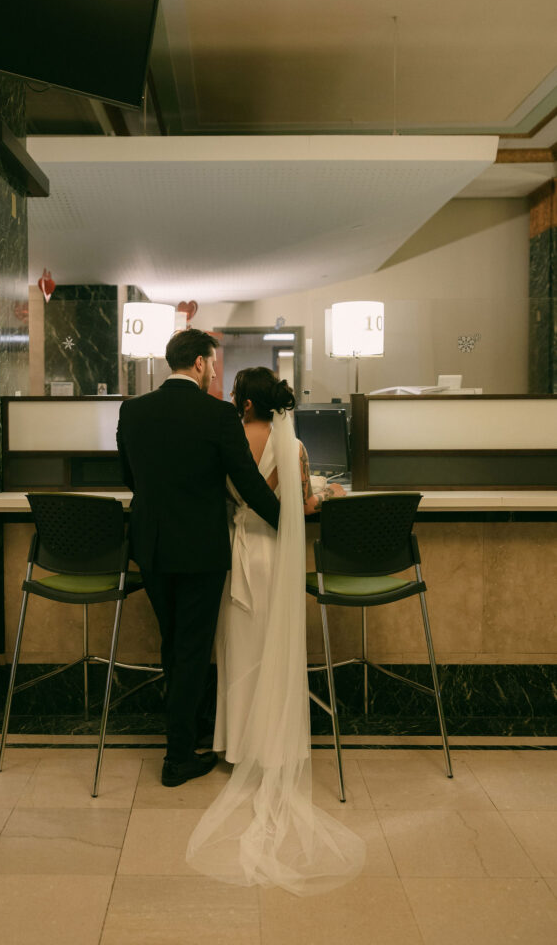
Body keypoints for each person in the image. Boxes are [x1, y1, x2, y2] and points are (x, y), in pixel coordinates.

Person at [186, 367, 365, 895]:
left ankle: (237, 746)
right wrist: (323, 496)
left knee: (240, 649)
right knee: (277, 647)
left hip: (241, 551)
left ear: (244, 404)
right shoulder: (298, 444)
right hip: (279, 556)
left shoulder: (230, 438)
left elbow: (227, 496)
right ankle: (276, 743)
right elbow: (301, 505)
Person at [116, 331, 280, 789]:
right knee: (191, 649)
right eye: (212, 362)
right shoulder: (218, 414)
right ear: (198, 363)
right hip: (200, 550)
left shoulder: (133, 410)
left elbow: (127, 474)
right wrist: (287, 522)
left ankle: (185, 734)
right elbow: (247, 482)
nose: (214, 370)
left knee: (174, 644)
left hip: (150, 545)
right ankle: (178, 757)